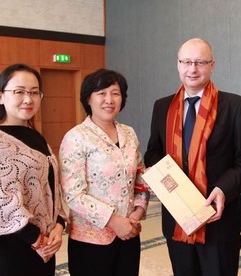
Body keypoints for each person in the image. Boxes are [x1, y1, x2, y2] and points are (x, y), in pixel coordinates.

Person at [144, 37, 241, 276]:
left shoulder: (235, 106)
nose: (192, 69)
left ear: (212, 65)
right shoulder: (162, 106)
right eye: (186, 62)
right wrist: (160, 178)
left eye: (200, 62)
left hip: (218, 219)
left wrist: (224, 189)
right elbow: (153, 151)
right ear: (178, 64)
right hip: (177, 218)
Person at [0, 64, 66, 276]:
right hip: (9, 251)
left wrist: (59, 225)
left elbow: (51, 189)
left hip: (43, 248)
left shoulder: (35, 135)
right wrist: (37, 239)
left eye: (34, 92)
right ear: (1, 96)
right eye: (19, 91)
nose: (28, 99)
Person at [59, 69, 150, 276]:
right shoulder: (76, 138)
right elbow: (73, 194)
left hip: (129, 235)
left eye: (115, 93)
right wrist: (113, 222)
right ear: (88, 99)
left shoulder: (129, 133)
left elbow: (139, 177)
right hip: (91, 241)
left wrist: (138, 212)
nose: (109, 99)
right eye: (101, 93)